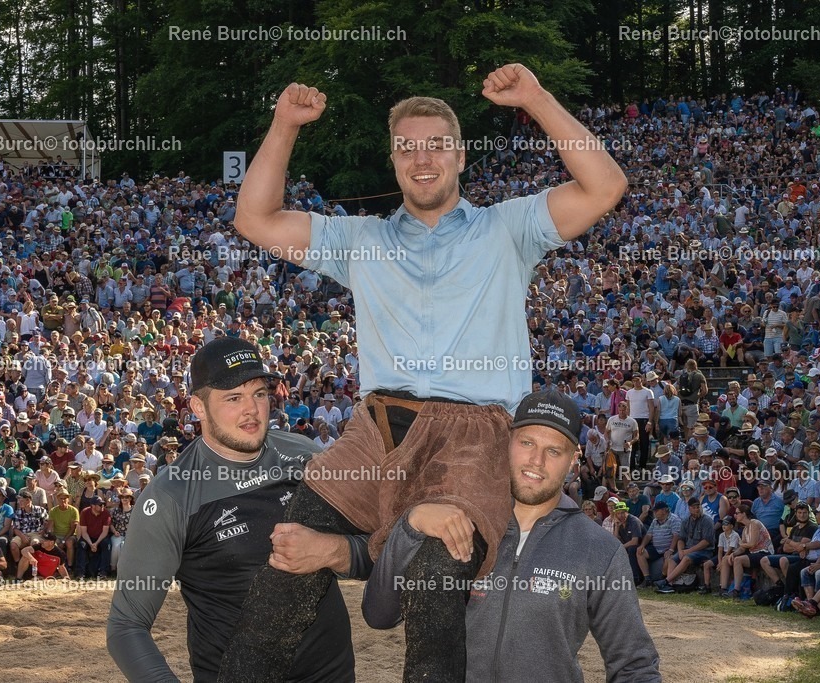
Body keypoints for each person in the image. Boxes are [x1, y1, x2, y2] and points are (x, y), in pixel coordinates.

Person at [220, 63, 628, 682]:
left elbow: (604, 186)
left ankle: (364, 566)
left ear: (460, 156)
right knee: (287, 557)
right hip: (376, 431)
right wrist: (283, 125)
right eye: (406, 147)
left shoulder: (507, 228)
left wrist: (536, 98)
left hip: (474, 435)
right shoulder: (360, 239)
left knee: (437, 576)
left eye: (436, 144)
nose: (422, 157)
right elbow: (254, 218)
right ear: (393, 162)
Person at [108, 338, 372, 682]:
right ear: (199, 407)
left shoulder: (305, 456)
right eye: (233, 398)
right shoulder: (172, 496)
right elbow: (126, 626)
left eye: (259, 393)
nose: (252, 409)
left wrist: (334, 551)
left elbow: (378, 552)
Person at [362, 389, 661, 682]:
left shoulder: (599, 549)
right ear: (506, 442)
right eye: (527, 442)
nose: (536, 461)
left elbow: (634, 666)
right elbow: (379, 615)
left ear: (574, 459)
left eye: (554, 451)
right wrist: (410, 526)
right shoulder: (458, 522)